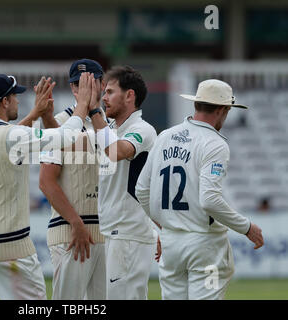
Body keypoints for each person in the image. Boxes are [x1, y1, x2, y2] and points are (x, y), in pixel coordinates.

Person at [0, 72, 93, 300]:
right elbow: (66, 136)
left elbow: (7, 140)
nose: (18, 100)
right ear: (5, 101)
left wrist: (35, 113)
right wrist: (82, 103)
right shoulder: (11, 136)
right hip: (8, 247)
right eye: (14, 96)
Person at [136, 79, 264, 300]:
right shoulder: (214, 143)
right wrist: (246, 227)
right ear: (223, 109)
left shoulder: (165, 136)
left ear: (197, 104)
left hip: (171, 244)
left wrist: (164, 226)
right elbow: (209, 200)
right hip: (205, 247)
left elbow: (141, 190)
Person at [88, 65, 160, 299]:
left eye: (109, 92)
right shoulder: (110, 128)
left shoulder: (143, 129)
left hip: (128, 233)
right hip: (115, 231)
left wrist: (92, 111)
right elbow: (69, 147)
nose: (104, 98)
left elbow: (116, 152)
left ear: (130, 96)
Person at [39, 59, 106, 299]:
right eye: (78, 83)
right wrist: (76, 223)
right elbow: (46, 181)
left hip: (106, 233)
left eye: (91, 82)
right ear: (72, 88)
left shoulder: (110, 126)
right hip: (70, 233)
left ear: (102, 84)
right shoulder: (58, 121)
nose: (84, 88)